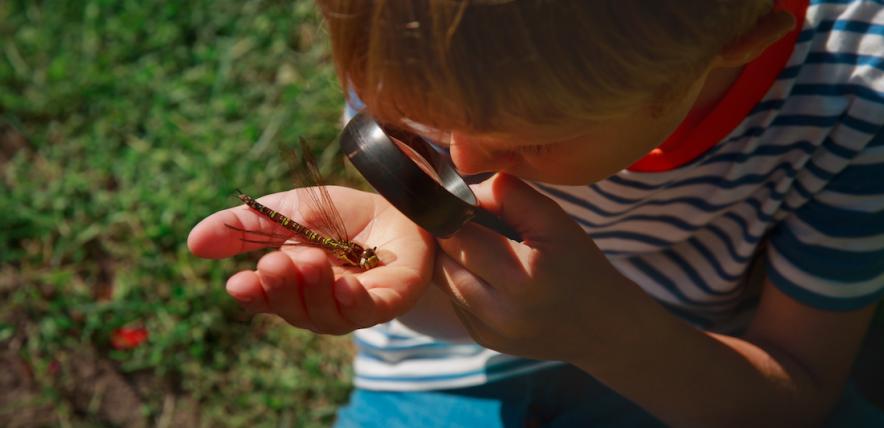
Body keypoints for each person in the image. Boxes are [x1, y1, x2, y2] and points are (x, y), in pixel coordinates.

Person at [188, 0, 884, 426]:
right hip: (443, 369)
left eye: (530, 141)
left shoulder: (855, 102)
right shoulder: (410, 27)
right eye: (417, 119)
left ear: (733, 44)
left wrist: (598, 333)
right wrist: (408, 218)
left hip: (696, 369)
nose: (466, 161)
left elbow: (796, 395)